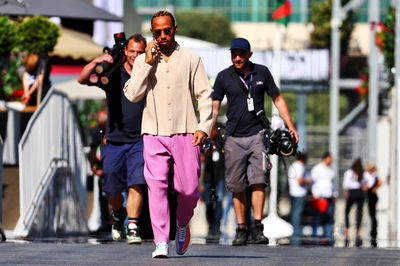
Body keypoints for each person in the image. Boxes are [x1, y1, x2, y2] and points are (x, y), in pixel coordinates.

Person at [123, 11, 212, 258]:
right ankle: (161, 241)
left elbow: (205, 95)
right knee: (156, 186)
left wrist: (204, 126)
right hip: (153, 132)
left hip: (186, 132)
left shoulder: (192, 59)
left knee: (189, 189)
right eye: (157, 32)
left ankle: (182, 224)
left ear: (175, 29)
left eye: (166, 30)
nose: (162, 36)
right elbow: (132, 94)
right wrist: (146, 63)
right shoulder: (143, 61)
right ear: (152, 33)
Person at [212, 37, 299, 246]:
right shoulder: (224, 76)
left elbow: (277, 99)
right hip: (233, 137)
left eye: (241, 53)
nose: (237, 57)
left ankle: (258, 227)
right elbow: (214, 107)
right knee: (236, 185)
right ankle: (241, 228)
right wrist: (207, 130)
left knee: (259, 180)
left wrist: (291, 125)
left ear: (250, 54)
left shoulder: (262, 72)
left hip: (258, 134)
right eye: (234, 54)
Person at [77, 34, 147, 244]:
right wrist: (100, 60)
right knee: (112, 187)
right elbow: (82, 79)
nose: (135, 56)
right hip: (114, 140)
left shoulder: (148, 74)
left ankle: (133, 225)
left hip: (140, 140)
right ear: (125, 51)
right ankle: (118, 216)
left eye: (139, 52)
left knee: (137, 183)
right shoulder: (113, 73)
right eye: (132, 51)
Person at [201, 124, 225, 243]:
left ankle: (217, 225)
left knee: (219, 201)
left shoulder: (222, 141)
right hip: (208, 178)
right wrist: (207, 151)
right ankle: (211, 225)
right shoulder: (205, 142)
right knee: (209, 203)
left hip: (220, 177)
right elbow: (202, 159)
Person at [310, 152, 338, 245]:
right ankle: (315, 237)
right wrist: (315, 195)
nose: (331, 161)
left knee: (329, 218)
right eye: (330, 158)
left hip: (329, 197)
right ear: (325, 158)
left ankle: (328, 237)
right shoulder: (317, 169)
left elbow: (333, 184)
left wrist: (335, 194)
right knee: (317, 218)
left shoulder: (331, 170)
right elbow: (313, 182)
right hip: (320, 197)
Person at [342, 158, 368, 247]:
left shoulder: (349, 172)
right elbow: (369, 181)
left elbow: (346, 184)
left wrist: (346, 192)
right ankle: (358, 232)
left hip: (352, 192)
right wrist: (365, 187)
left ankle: (347, 231)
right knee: (359, 213)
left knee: (347, 211)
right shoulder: (362, 172)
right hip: (360, 192)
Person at [287, 152, 311, 245]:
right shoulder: (300, 166)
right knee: (297, 213)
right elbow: (300, 180)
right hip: (299, 193)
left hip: (293, 192)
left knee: (295, 213)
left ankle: (295, 231)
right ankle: (296, 232)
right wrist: (308, 181)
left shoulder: (293, 165)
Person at [364, 162, 382, 247]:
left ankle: (374, 231)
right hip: (370, 196)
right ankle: (373, 230)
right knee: (372, 214)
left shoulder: (373, 175)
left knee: (373, 214)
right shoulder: (371, 175)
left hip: (372, 197)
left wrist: (374, 188)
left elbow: (380, 182)